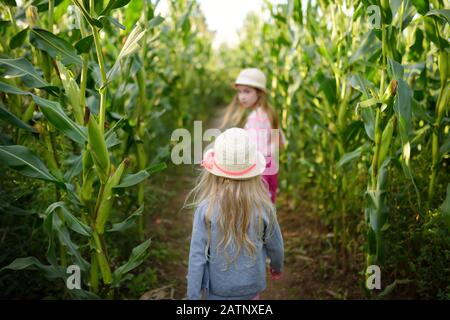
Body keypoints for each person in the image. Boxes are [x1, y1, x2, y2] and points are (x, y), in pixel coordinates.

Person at [185, 128, 284, 300]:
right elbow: (276, 246)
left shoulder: (206, 208)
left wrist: (193, 295)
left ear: (215, 173)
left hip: (217, 290)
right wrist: (277, 266)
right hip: (252, 288)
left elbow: (197, 255)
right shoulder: (264, 207)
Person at [221, 68, 285, 203]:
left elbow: (256, 150)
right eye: (239, 91)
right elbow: (280, 142)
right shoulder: (267, 112)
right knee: (266, 206)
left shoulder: (259, 117)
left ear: (259, 93)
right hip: (269, 167)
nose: (242, 96)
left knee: (257, 207)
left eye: (247, 91)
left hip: (260, 170)